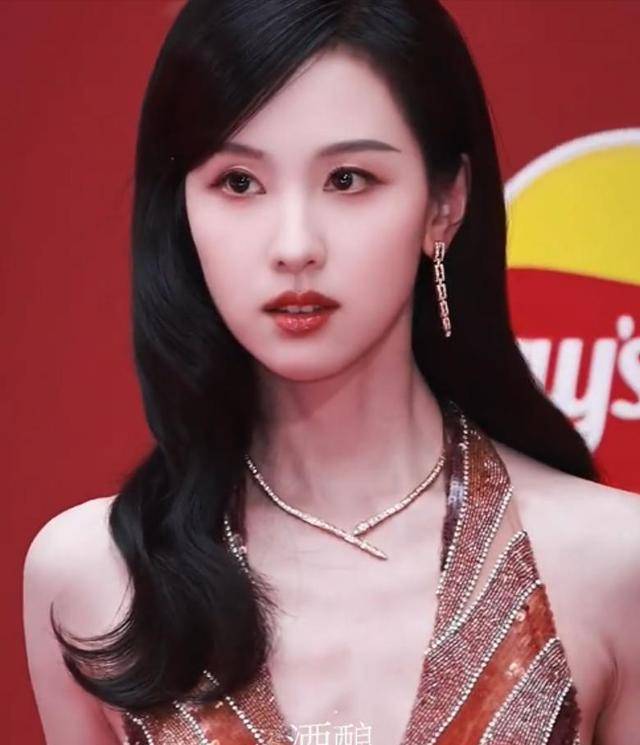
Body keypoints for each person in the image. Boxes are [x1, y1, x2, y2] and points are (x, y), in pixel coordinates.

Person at [23, 1, 640, 743]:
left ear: (445, 203)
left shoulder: (610, 564)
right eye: (239, 182)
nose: (294, 246)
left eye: (348, 178)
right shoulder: (93, 579)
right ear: (181, 208)